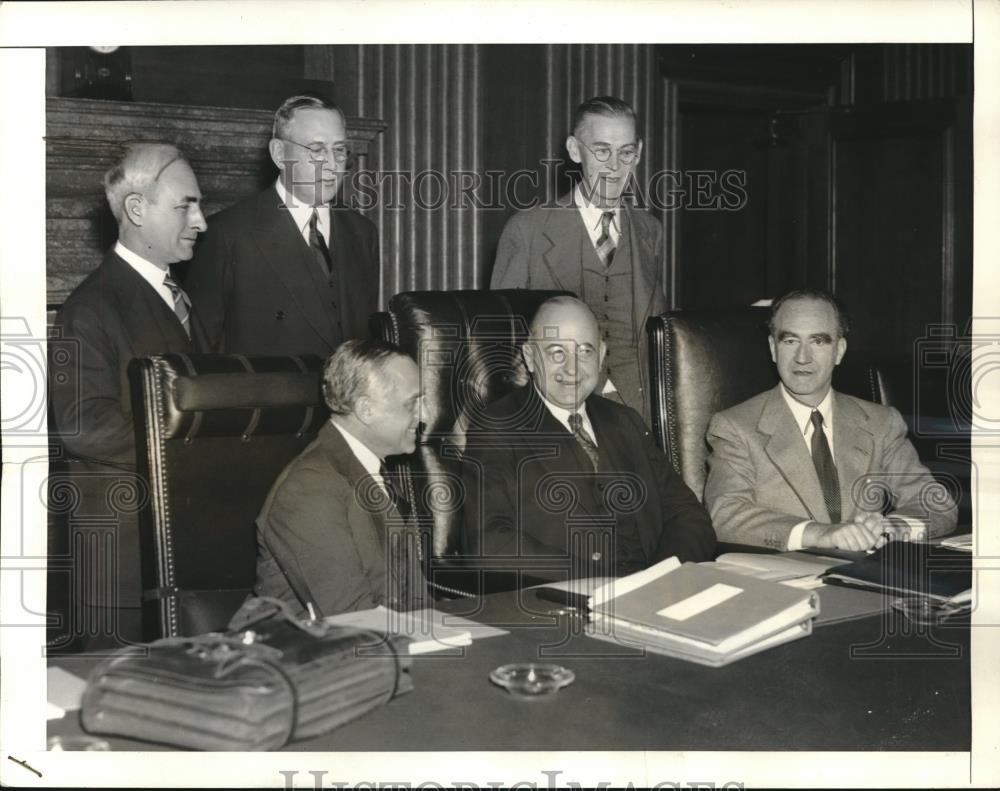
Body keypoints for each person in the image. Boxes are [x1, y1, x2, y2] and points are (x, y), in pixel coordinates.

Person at [49, 142, 208, 645]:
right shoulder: (89, 307)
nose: (201, 221)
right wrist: (192, 450)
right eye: (186, 205)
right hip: (121, 562)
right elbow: (85, 428)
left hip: (174, 545)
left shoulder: (179, 293)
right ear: (137, 210)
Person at [461, 297, 715, 581]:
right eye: (557, 352)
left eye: (584, 351)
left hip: (655, 594)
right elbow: (489, 543)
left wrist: (660, 580)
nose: (572, 368)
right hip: (569, 602)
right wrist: (599, 584)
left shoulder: (624, 420)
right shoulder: (498, 426)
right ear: (530, 357)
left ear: (602, 354)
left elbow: (688, 515)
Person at [704, 289, 958, 551]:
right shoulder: (734, 427)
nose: (803, 357)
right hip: (785, 580)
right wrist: (820, 534)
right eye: (790, 341)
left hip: (864, 579)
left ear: (839, 350)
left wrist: (896, 527)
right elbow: (725, 514)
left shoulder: (881, 423)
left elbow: (936, 504)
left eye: (819, 341)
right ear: (772, 348)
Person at [490, 96, 665, 425]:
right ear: (574, 150)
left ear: (639, 152)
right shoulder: (528, 230)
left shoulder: (649, 231)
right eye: (601, 151)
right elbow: (500, 343)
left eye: (626, 152)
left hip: (639, 414)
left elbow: (657, 325)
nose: (615, 166)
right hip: (555, 411)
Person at [185, 92, 379, 357]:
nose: (333, 166)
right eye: (317, 150)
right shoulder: (227, 235)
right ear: (278, 153)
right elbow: (202, 354)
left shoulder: (362, 233)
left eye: (339, 150)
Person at [254, 339, 428, 617]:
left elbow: (415, 602)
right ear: (366, 410)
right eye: (412, 404)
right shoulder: (309, 489)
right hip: (311, 653)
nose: (425, 416)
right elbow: (350, 618)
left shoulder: (369, 469)